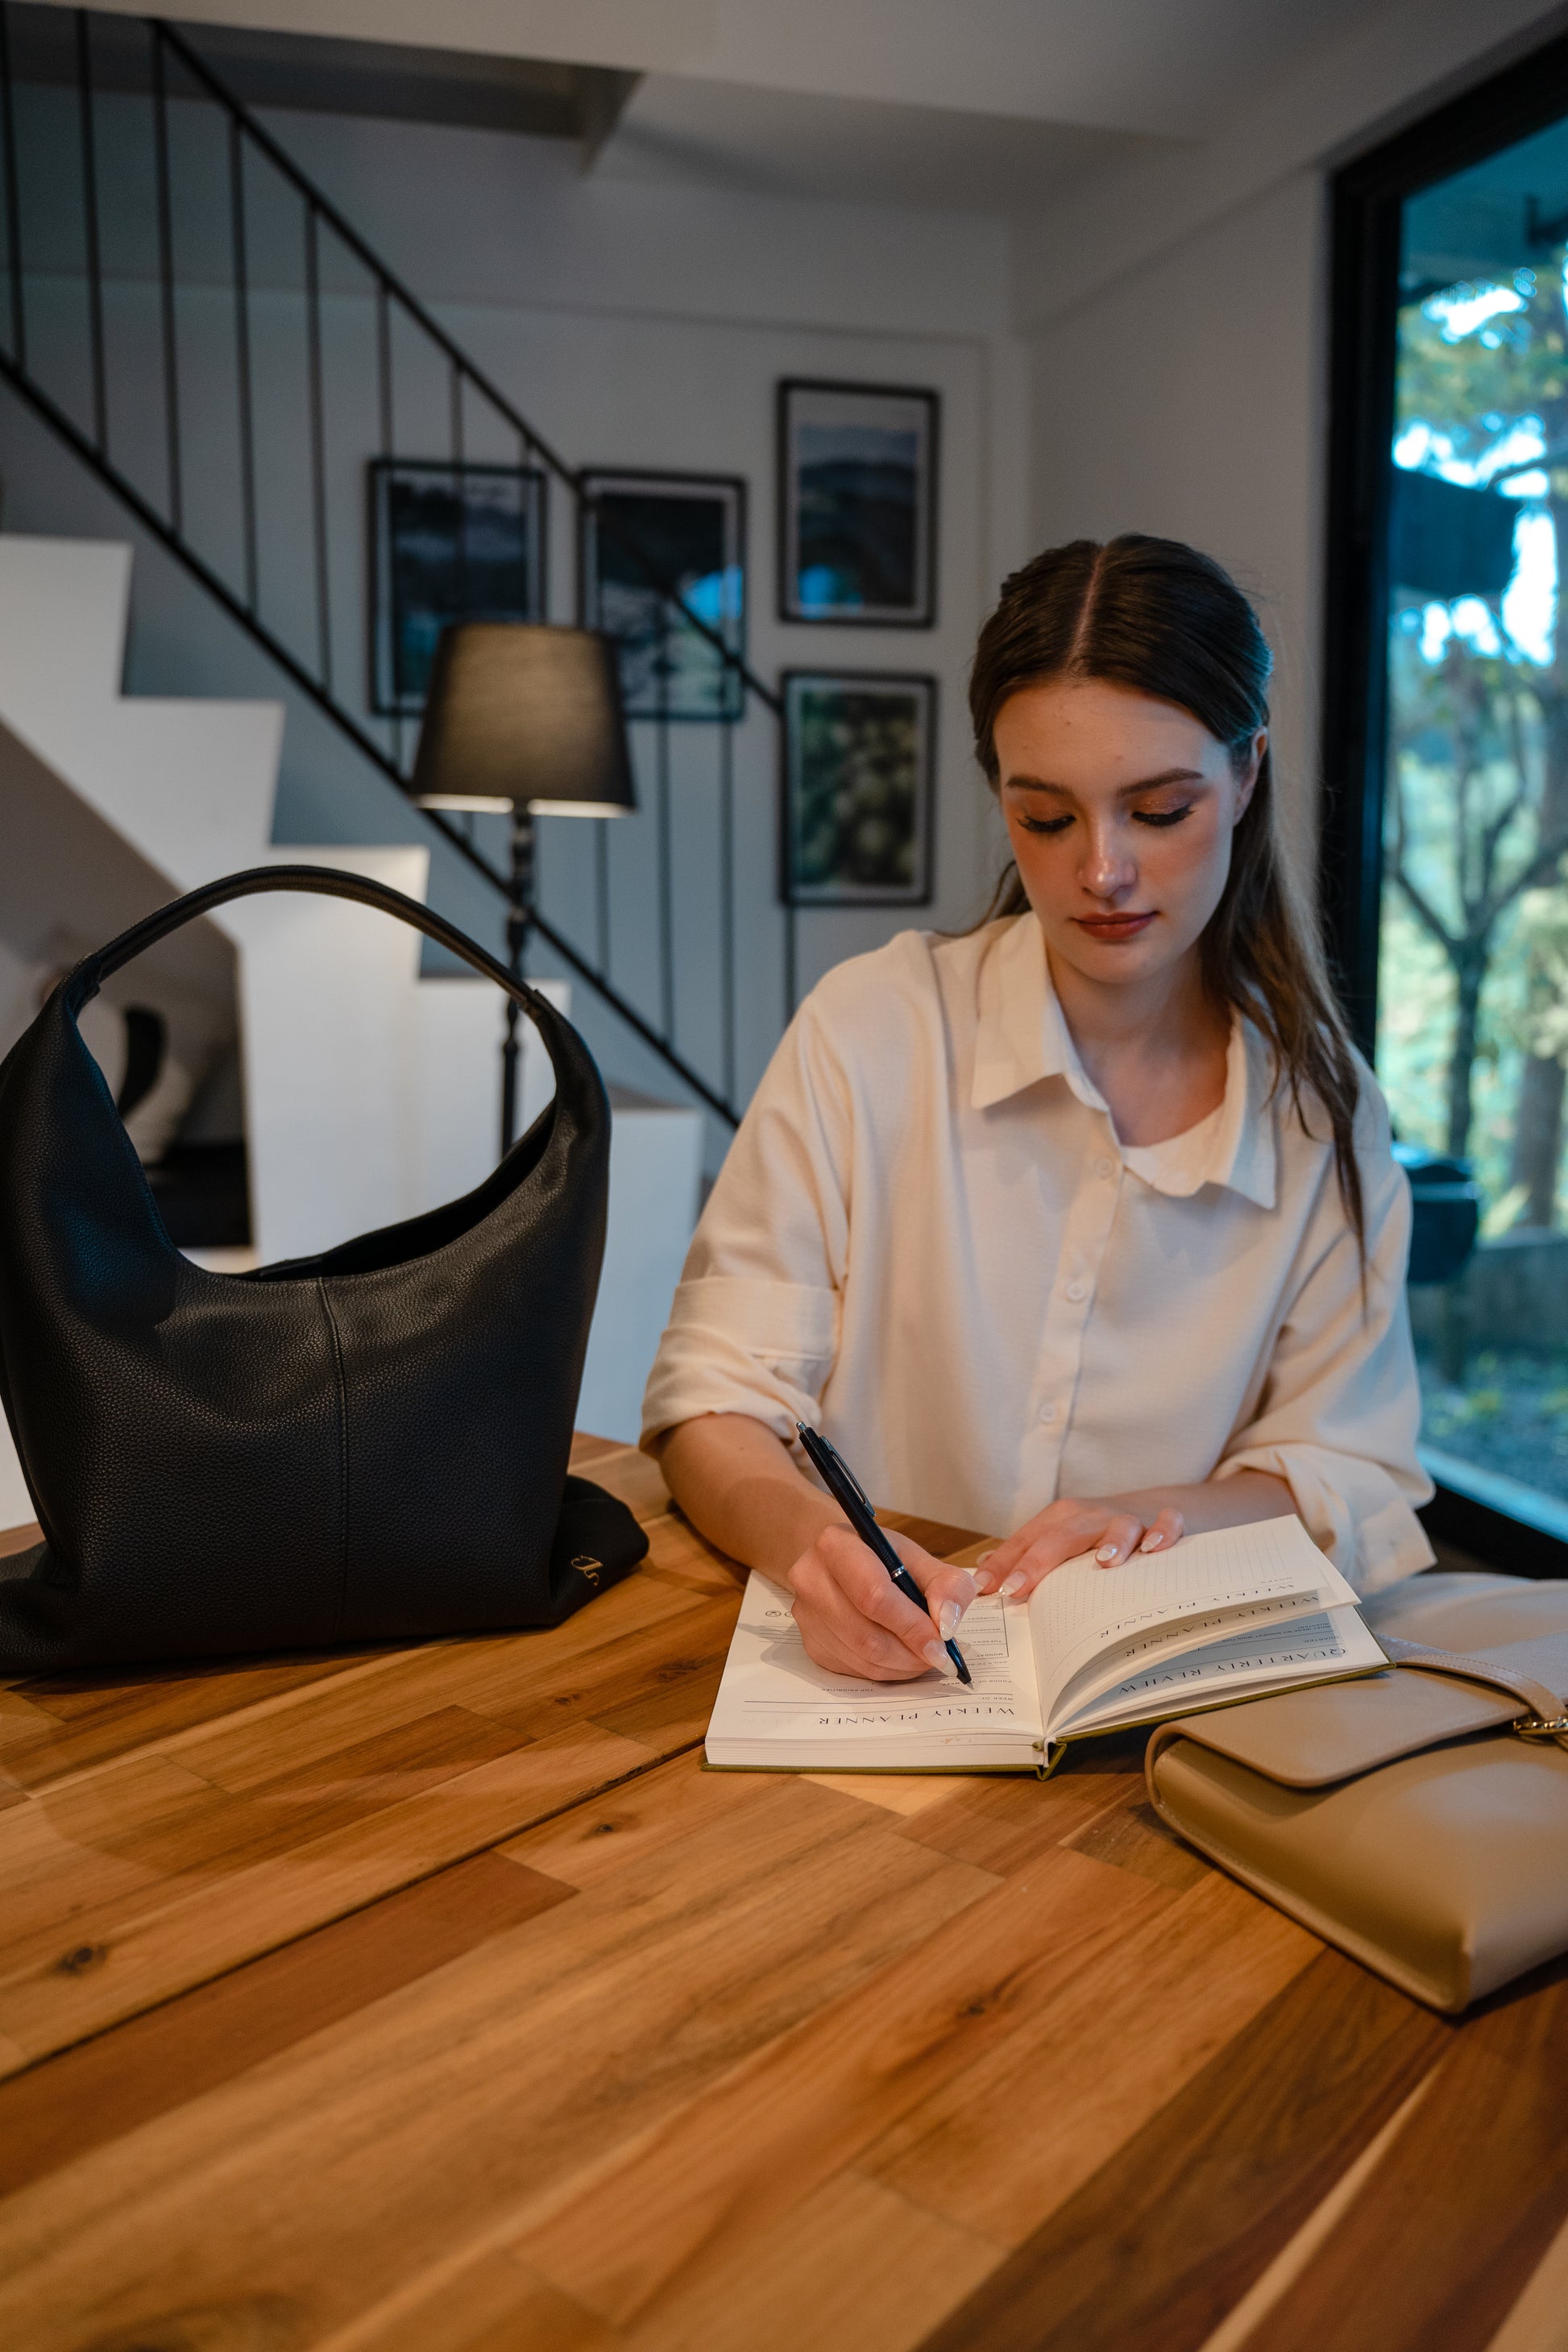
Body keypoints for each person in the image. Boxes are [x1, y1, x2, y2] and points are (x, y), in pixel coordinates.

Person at [643, 533, 1433, 1684]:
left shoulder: (1318, 1114)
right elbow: (710, 1400)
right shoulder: (873, 1030)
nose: (1101, 872)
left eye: (1160, 810)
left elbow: (1347, 1471)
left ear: (1246, 771)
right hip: (871, 1689)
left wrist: (1143, 1518)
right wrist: (815, 1546)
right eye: (1047, 819)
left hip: (1162, 1722)